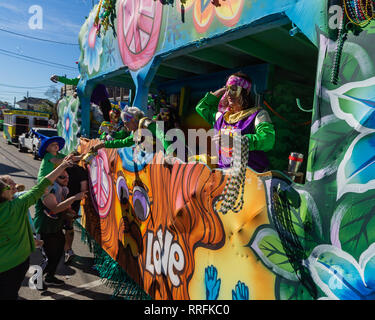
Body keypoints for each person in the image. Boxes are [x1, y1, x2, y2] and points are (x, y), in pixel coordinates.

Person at [0, 159, 74, 300]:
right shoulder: (18, 205)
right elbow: (43, 184)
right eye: (9, 187)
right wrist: (63, 165)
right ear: (4, 193)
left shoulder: (17, 203)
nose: (14, 188)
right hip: (16, 264)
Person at [195, 71, 275, 172]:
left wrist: (236, 141)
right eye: (227, 90)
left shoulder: (258, 115)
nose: (228, 94)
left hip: (251, 176)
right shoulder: (222, 117)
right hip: (224, 175)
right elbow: (201, 107)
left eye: (233, 89)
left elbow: (268, 140)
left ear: (245, 92)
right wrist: (223, 89)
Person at [33, 170, 87, 286]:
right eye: (62, 177)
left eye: (67, 177)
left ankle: (50, 277)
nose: (66, 179)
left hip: (56, 227)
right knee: (49, 258)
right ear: (55, 178)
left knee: (58, 254)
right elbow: (55, 209)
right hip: (45, 229)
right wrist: (74, 198)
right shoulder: (48, 190)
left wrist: (70, 212)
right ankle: (36, 280)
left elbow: (64, 207)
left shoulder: (63, 189)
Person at [90, 106, 171, 154]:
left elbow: (163, 137)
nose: (125, 125)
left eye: (126, 122)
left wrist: (170, 155)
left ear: (133, 120)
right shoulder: (137, 131)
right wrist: (103, 145)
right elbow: (124, 142)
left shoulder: (147, 124)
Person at [64, 155, 88, 264]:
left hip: (58, 199)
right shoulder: (81, 170)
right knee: (69, 226)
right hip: (73, 202)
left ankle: (60, 249)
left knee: (55, 226)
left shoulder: (60, 167)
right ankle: (68, 250)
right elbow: (84, 189)